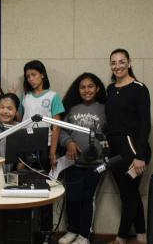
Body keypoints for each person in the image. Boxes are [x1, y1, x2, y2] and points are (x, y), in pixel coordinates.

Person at [105, 49, 151, 244]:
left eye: (121, 62)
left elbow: (145, 124)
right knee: (128, 194)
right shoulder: (110, 89)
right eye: (114, 63)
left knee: (129, 194)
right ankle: (141, 235)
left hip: (133, 149)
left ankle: (121, 237)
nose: (118, 66)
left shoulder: (139, 88)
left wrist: (140, 156)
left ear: (129, 63)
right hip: (114, 150)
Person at [19, 60, 65, 244]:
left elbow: (56, 127)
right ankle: (28, 230)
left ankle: (46, 231)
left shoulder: (53, 96)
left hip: (45, 149)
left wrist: (52, 152)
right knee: (24, 189)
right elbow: (19, 120)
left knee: (45, 191)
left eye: (34, 75)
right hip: (27, 148)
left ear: (42, 75)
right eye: (28, 76)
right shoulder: (25, 97)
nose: (31, 79)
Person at [58, 73, 107, 244]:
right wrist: (69, 143)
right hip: (73, 162)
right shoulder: (71, 107)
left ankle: (84, 235)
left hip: (96, 164)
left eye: (90, 86)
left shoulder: (104, 108)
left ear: (97, 88)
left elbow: (110, 133)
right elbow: (61, 131)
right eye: (82, 87)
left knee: (87, 198)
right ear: (78, 90)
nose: (86, 90)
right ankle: (72, 230)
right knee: (72, 197)